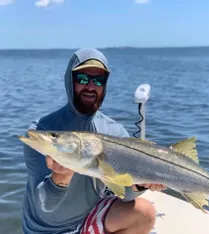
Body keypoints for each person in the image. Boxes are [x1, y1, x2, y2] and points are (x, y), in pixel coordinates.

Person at [21, 48, 166, 234]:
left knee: (145, 213)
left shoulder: (115, 132)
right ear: (70, 80)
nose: (90, 86)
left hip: (87, 218)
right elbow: (45, 207)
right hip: (45, 230)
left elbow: (125, 194)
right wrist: (60, 178)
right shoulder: (43, 131)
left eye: (98, 80)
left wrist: (140, 184)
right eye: (82, 79)